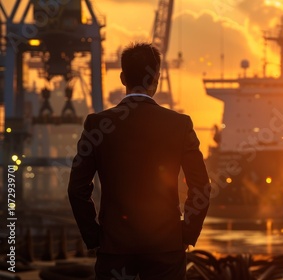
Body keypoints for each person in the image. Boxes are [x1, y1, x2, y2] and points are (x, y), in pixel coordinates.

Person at [67, 42, 210, 280]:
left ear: (123, 78)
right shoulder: (180, 125)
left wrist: (94, 237)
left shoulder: (97, 124)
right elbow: (201, 187)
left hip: (115, 248)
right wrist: (185, 234)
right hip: (166, 248)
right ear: (157, 78)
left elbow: (77, 189)